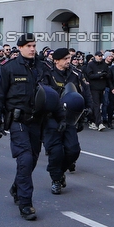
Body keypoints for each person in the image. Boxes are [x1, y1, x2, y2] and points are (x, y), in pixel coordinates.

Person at [0, 33, 51, 221]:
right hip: (18, 121)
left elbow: (52, 94)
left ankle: (17, 187)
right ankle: (26, 203)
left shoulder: (42, 67)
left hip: (37, 121)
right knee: (24, 159)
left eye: (34, 45)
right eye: (28, 46)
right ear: (20, 48)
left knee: (31, 160)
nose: (32, 49)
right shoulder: (8, 68)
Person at [41, 48, 87, 194]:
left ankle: (60, 172)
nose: (69, 61)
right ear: (56, 60)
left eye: (70, 58)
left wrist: (88, 110)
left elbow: (85, 92)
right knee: (55, 152)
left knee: (73, 150)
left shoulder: (75, 74)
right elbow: (44, 94)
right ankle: (56, 179)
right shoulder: (48, 74)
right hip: (52, 118)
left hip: (69, 118)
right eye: (66, 59)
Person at [84, 51, 111, 130]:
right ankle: (98, 123)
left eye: (101, 56)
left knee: (103, 104)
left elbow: (109, 74)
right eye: (98, 56)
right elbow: (89, 75)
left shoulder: (104, 64)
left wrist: (105, 74)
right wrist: (99, 75)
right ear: (95, 56)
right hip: (94, 88)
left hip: (102, 88)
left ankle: (94, 120)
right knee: (96, 105)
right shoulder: (91, 64)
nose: (100, 57)